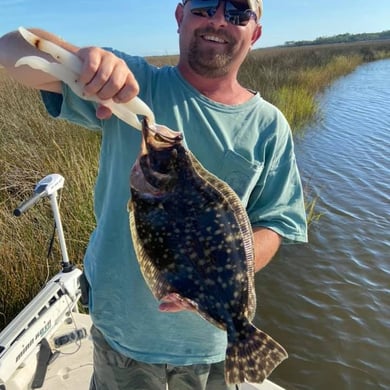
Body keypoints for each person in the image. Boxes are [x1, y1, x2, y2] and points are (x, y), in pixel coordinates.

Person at [0, 1, 308, 389]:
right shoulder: (133, 86)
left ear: (255, 32)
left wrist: (215, 274)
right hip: (121, 332)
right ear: (180, 16)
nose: (217, 19)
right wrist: (83, 59)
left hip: (210, 344)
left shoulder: (270, 125)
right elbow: (12, 51)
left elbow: (276, 222)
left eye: (237, 13)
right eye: (205, 6)